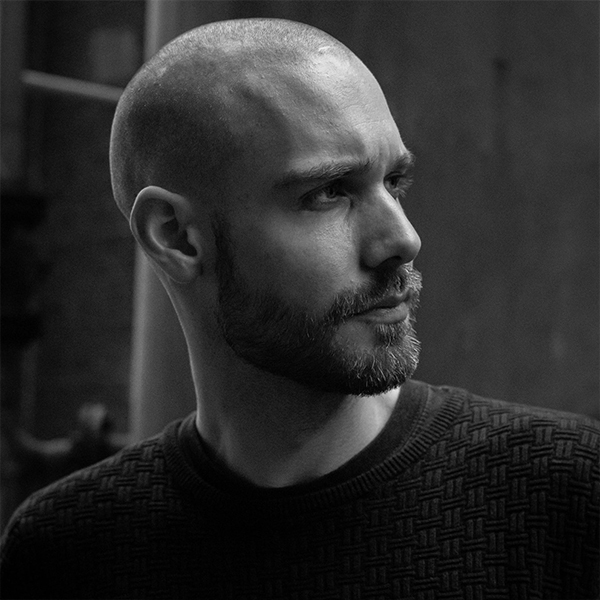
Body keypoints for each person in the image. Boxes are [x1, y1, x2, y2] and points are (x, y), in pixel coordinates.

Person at [1, 18, 598, 600]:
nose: (403, 239)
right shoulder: (69, 552)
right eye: (328, 193)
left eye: (394, 182)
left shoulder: (568, 494)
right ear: (178, 237)